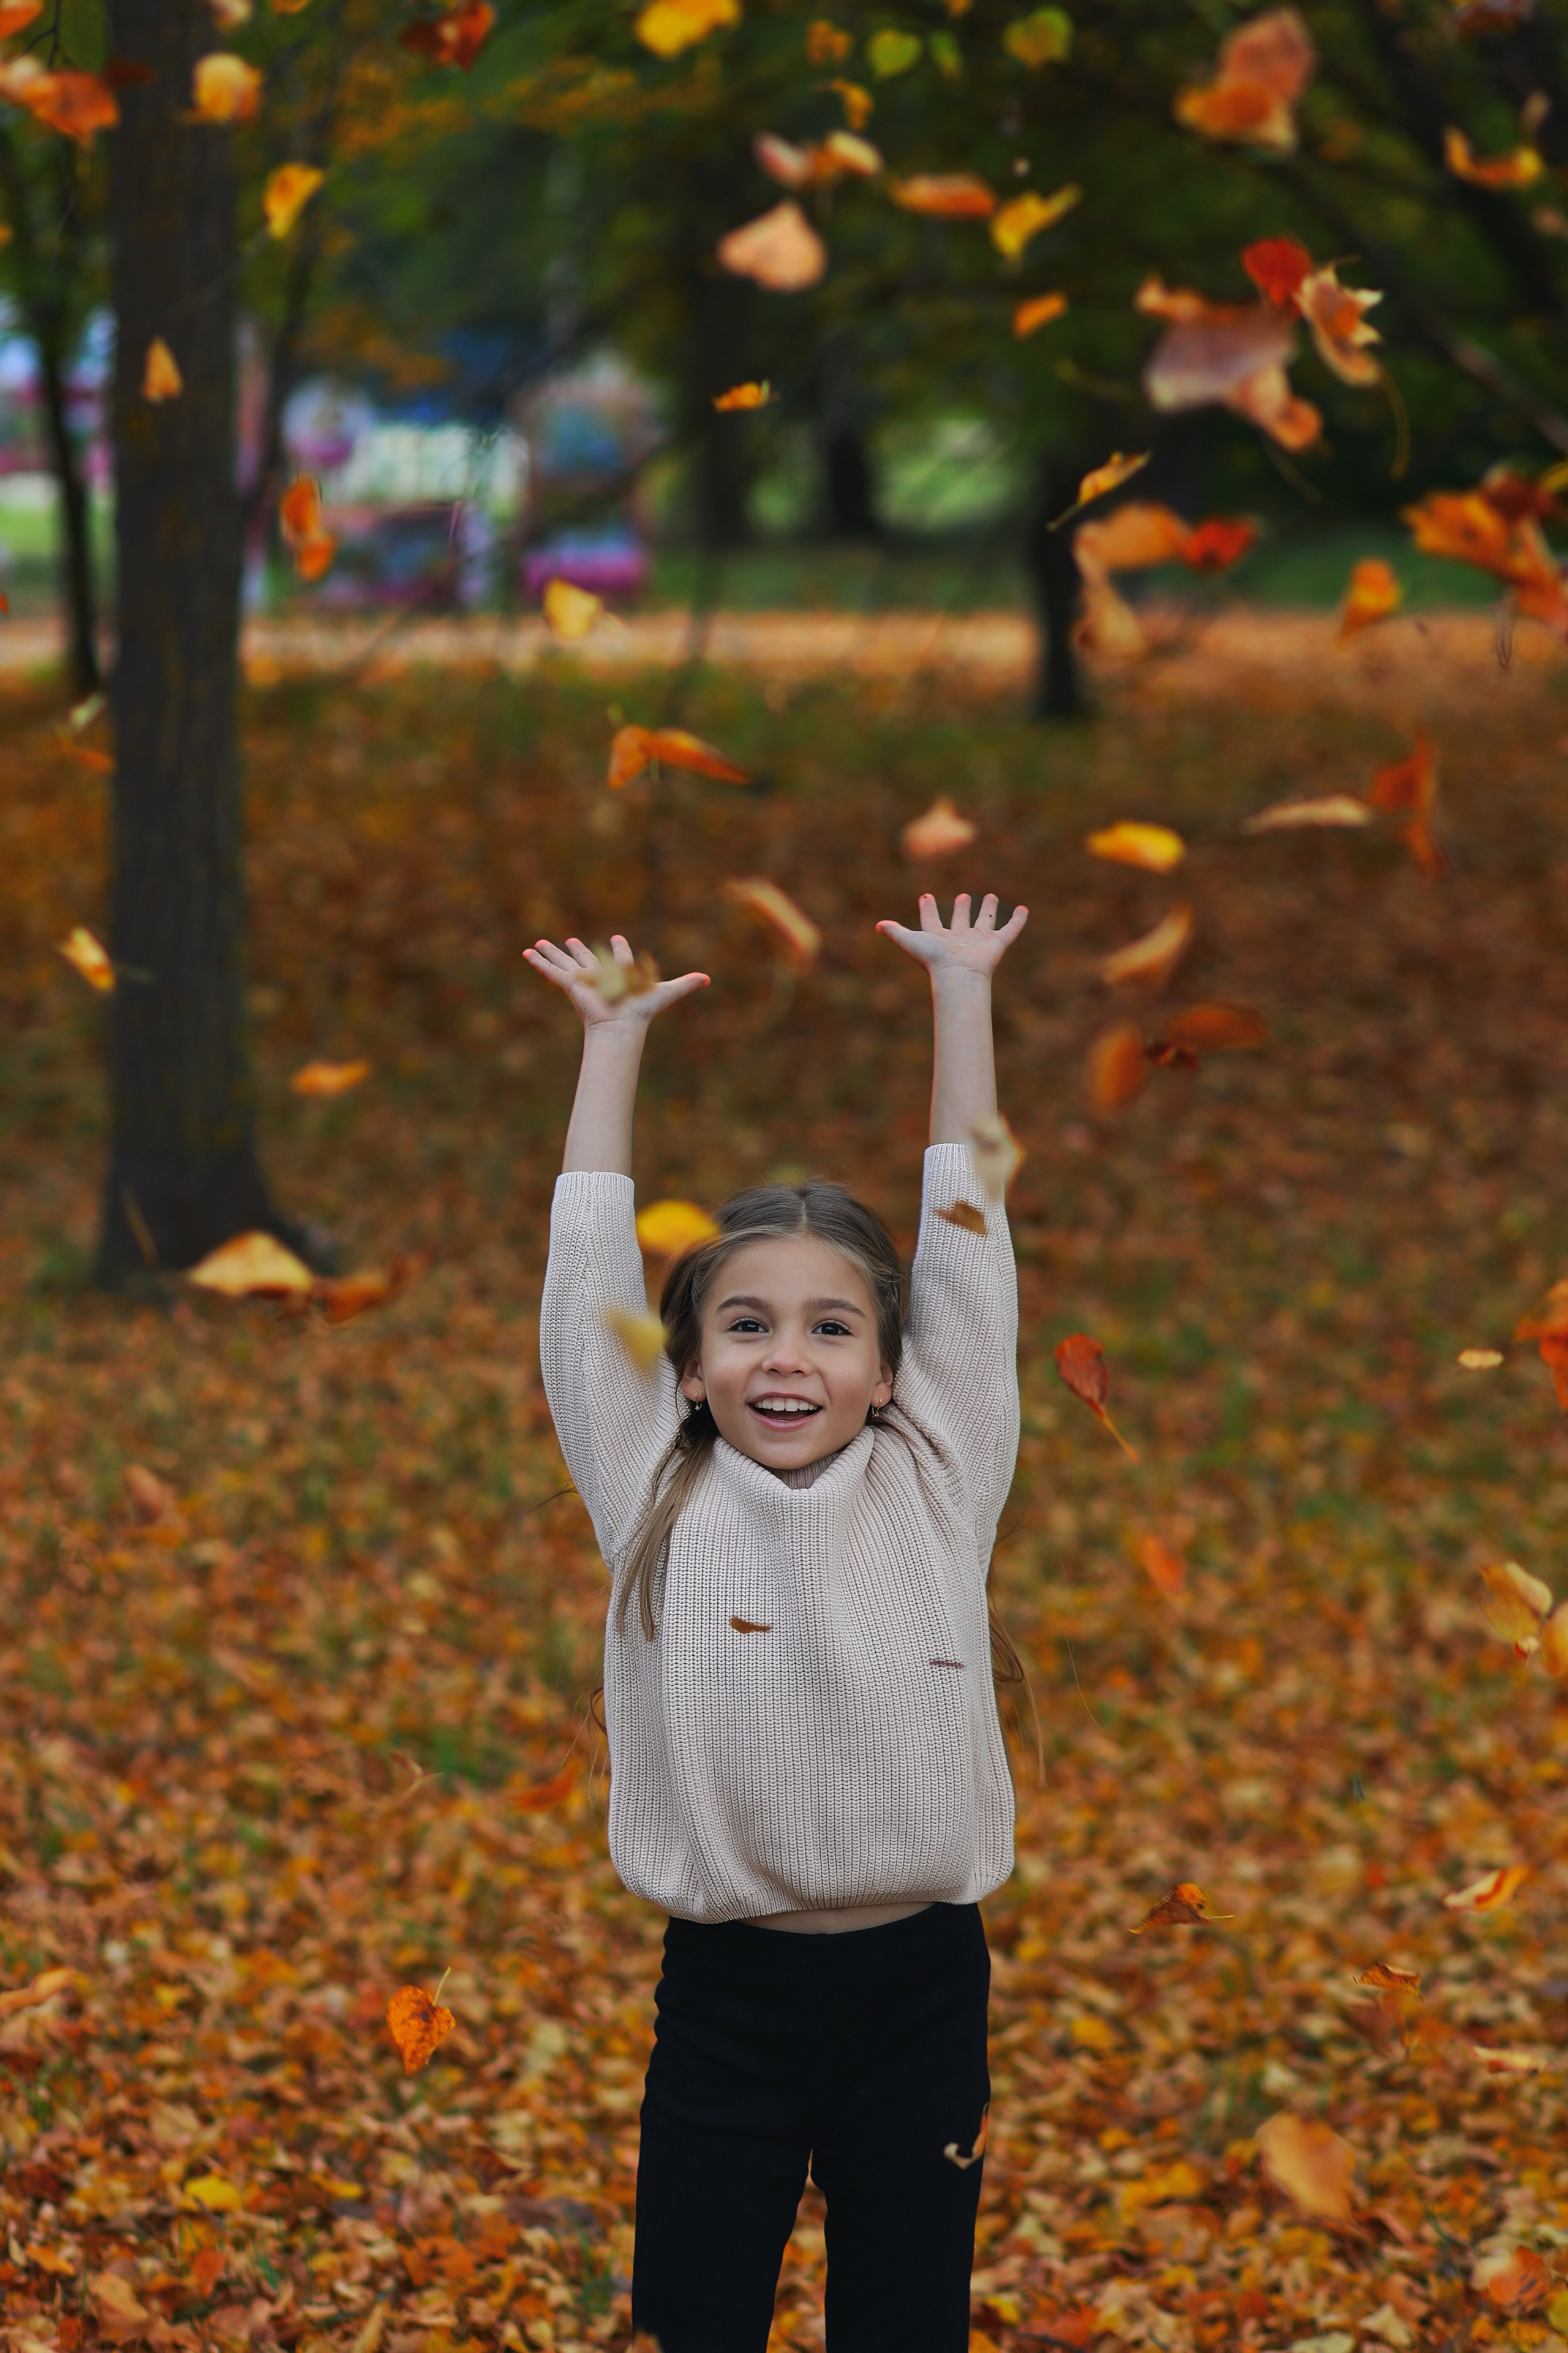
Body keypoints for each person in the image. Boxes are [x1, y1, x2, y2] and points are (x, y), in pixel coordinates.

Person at [527, 891, 1028, 2353]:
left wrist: (961, 996)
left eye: (829, 1325)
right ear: (685, 1367)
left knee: (902, 2321)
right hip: (731, 1993)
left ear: (889, 1365)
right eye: (744, 1325)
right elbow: (580, 1294)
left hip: (921, 1986)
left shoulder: (938, 1475)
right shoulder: (653, 1491)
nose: (785, 1356)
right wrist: (610, 1043)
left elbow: (969, 1234)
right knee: (694, 2317)